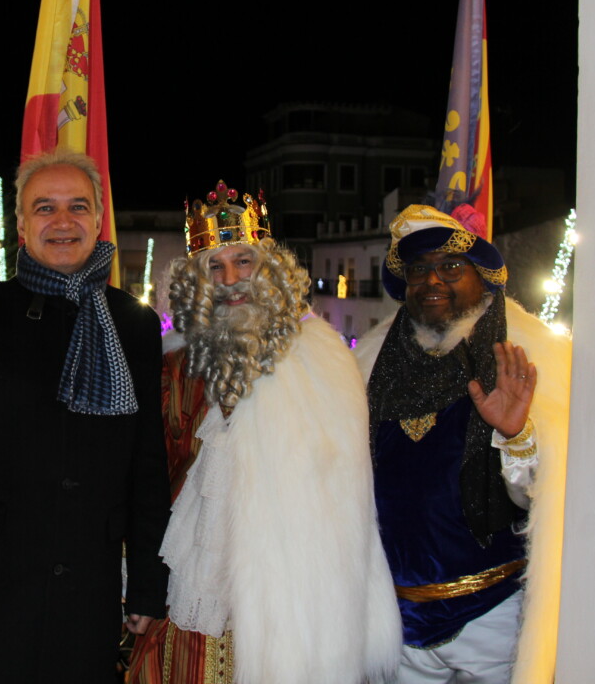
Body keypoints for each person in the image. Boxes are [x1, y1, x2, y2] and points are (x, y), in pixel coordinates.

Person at [127, 181, 401, 684]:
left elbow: (344, 502)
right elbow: (147, 481)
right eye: (215, 265)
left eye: (243, 262)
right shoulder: (173, 366)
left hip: (287, 600)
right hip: (188, 593)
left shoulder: (322, 358)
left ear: (268, 267)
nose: (231, 279)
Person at [0, 150, 171, 683]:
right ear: (22, 223)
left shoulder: (135, 324)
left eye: (78, 206)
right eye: (44, 207)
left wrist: (147, 581)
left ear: (99, 220)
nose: (62, 222)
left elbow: (148, 465)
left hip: (91, 594)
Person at [355, 204, 572, 684]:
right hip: (397, 621)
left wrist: (516, 434)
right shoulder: (369, 366)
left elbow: (549, 499)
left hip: (491, 615)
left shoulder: (528, 362)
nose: (433, 281)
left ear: (484, 278)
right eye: (419, 270)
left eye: (451, 267)